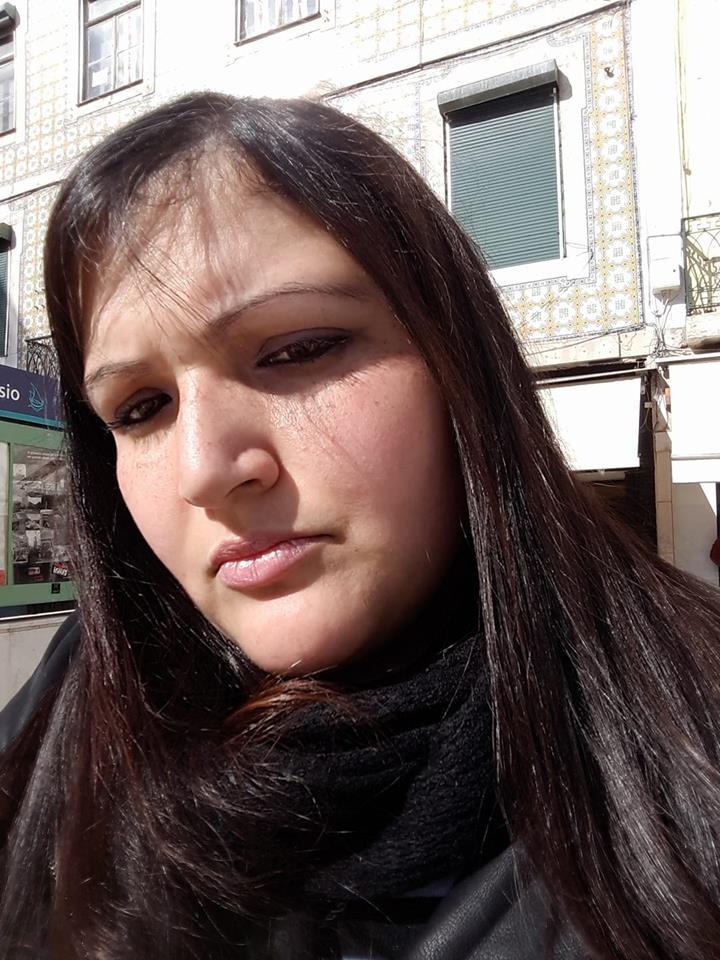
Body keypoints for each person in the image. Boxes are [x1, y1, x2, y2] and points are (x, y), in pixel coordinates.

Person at [1, 92, 719, 960]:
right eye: (141, 408)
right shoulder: (69, 708)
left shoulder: (692, 735)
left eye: (298, 350)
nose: (205, 470)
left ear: (455, 357)